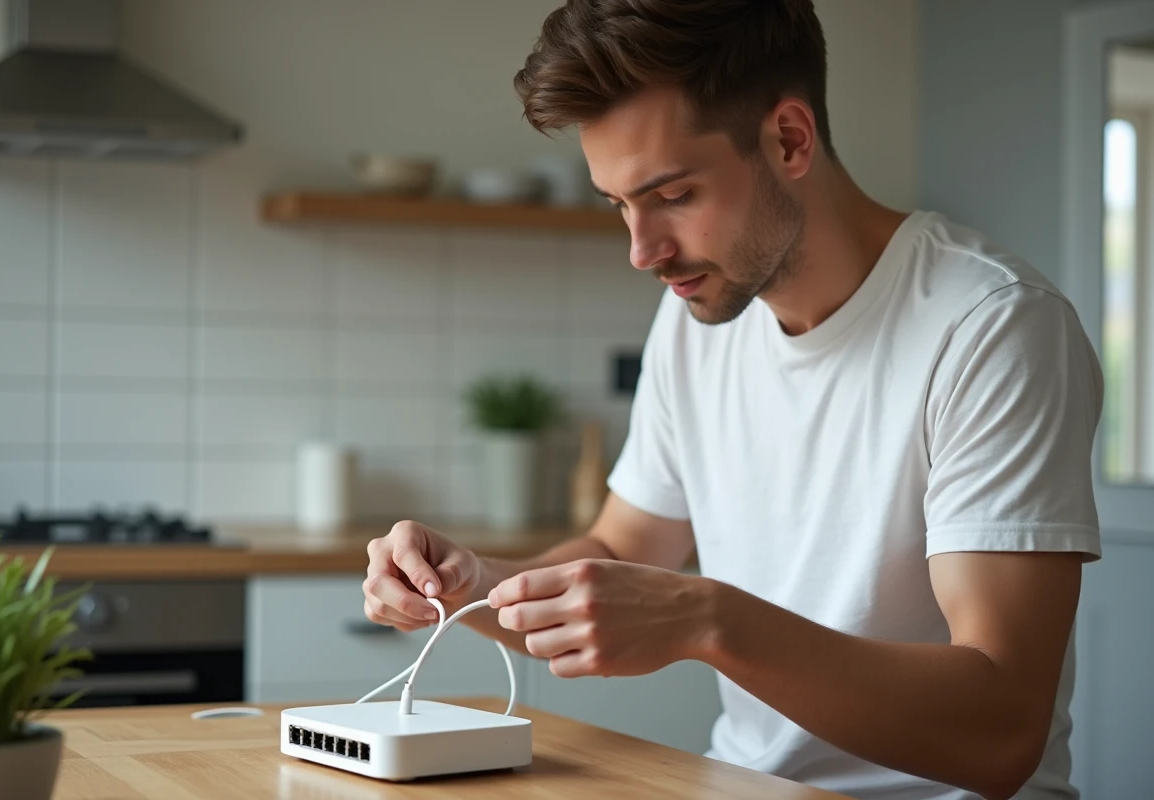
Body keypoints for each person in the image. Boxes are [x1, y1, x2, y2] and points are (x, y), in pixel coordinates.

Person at [362, 2, 1103, 798]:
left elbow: (999, 732)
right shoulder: (697, 321)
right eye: (620, 205)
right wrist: (474, 585)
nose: (642, 251)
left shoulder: (990, 326)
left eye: (672, 194)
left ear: (789, 138)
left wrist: (706, 620)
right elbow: (618, 553)